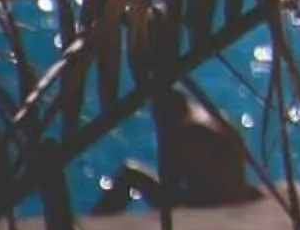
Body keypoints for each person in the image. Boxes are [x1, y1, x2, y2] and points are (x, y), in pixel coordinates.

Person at [90, 82, 263, 213]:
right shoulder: (214, 117)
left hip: (211, 203)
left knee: (130, 174)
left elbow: (170, 186)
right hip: (238, 193)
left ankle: (96, 223)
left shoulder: (182, 134)